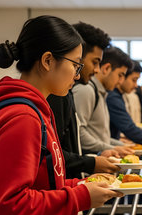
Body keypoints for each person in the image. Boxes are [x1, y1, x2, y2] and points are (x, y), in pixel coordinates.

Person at [0, 15, 121, 215]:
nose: (76, 74)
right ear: (47, 61)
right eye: (75, 64)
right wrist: (79, 197)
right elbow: (8, 205)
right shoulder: (22, 118)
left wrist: (82, 184)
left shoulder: (36, 111)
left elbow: (42, 183)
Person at [47, 21, 120, 179]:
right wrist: (91, 163)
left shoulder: (66, 92)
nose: (96, 70)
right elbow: (51, 158)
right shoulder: (56, 96)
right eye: (94, 62)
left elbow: (67, 149)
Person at [73, 46, 134, 155]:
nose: (120, 82)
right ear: (106, 68)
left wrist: (121, 146)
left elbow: (100, 137)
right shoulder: (86, 90)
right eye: (120, 75)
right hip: (90, 165)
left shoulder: (100, 92)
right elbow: (79, 133)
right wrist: (112, 148)